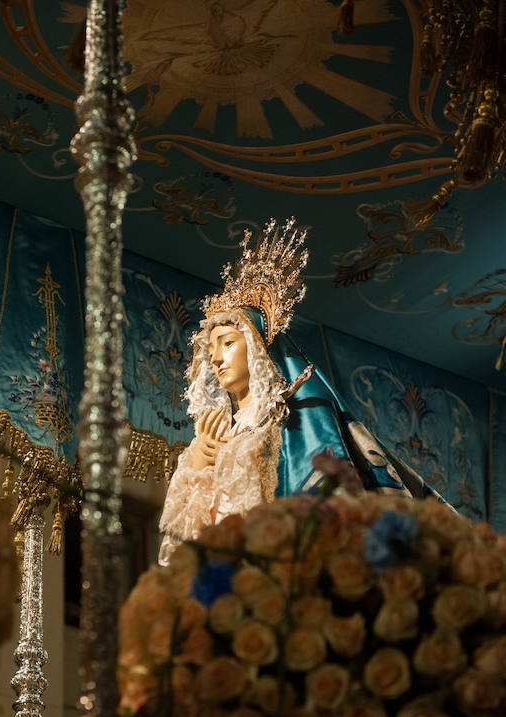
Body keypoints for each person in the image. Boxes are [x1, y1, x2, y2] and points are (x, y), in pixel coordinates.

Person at [158, 219, 439, 565]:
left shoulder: (291, 415)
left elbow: (319, 495)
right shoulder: (214, 432)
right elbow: (184, 535)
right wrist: (200, 462)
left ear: (258, 349)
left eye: (228, 343)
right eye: (212, 349)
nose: (216, 358)